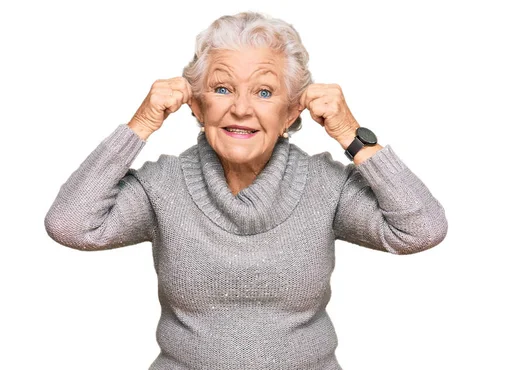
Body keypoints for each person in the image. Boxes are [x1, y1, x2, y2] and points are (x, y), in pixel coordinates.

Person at [44, 11, 448, 370]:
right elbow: (71, 225)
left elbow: (421, 229)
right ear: (198, 108)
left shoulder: (326, 186)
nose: (240, 108)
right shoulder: (161, 186)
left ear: (291, 113)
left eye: (264, 92)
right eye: (221, 89)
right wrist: (142, 123)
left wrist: (349, 134)